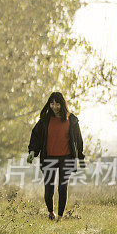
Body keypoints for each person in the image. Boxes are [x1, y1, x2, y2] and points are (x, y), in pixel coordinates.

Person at [27, 91, 84, 221]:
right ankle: (51, 212)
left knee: (63, 187)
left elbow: (78, 140)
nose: (54, 107)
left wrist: (80, 156)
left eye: (57, 104)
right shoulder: (45, 121)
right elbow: (35, 136)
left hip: (66, 158)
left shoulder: (72, 120)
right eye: (52, 104)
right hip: (49, 158)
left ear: (62, 104)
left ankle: (60, 216)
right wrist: (32, 152)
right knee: (49, 188)